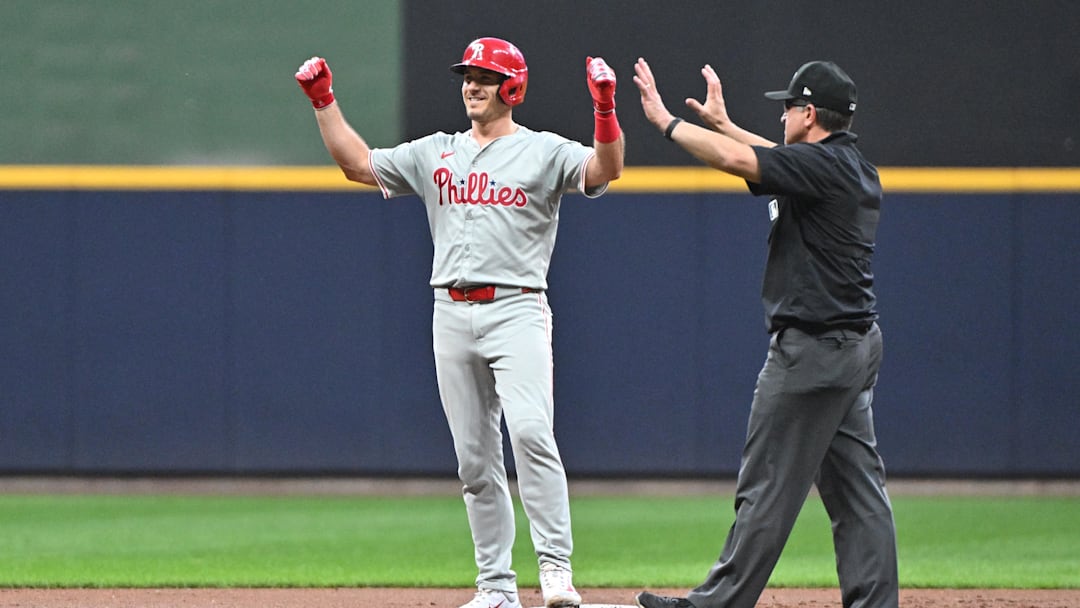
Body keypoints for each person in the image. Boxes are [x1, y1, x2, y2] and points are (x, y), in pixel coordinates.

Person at [295, 37, 624, 608]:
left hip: (517, 306)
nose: (471, 84)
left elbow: (606, 167)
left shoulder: (543, 151)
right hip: (450, 310)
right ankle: (495, 587)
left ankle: (555, 570)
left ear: (513, 87)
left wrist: (604, 109)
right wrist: (324, 100)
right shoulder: (436, 151)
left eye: (485, 76)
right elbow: (357, 165)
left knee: (530, 432)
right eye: (467, 75)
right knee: (474, 461)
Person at [631, 58, 899, 608]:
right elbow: (772, 159)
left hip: (813, 354)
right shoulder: (850, 166)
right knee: (858, 493)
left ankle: (716, 605)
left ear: (808, 113)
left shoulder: (822, 170)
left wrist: (665, 122)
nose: (780, 115)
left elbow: (738, 161)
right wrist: (724, 123)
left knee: (766, 487)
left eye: (787, 107)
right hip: (854, 347)